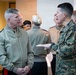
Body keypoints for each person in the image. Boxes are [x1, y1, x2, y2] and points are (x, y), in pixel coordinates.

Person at [37, 2, 76, 75]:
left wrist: (51, 46)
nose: (56, 15)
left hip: (68, 70)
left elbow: (68, 50)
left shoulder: (72, 29)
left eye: (58, 12)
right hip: (62, 68)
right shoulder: (66, 28)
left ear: (64, 15)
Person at [0, 8, 34, 75]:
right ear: (8, 20)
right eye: (16, 17)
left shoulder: (24, 33)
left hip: (26, 70)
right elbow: (1, 56)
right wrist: (14, 69)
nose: (20, 18)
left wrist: (29, 66)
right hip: (10, 71)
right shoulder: (2, 35)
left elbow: (30, 52)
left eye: (20, 16)